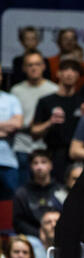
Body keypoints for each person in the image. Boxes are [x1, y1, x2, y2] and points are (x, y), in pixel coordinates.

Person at [30, 59, 84, 182]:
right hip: (54, 154)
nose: (69, 73)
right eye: (65, 69)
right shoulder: (46, 101)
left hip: (78, 156)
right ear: (58, 73)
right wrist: (50, 122)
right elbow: (34, 132)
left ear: (78, 75)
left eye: (73, 70)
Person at [10, 51, 57, 185]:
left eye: (37, 64)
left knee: (46, 188)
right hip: (22, 145)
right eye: (30, 65)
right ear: (24, 68)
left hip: (45, 146)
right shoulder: (16, 90)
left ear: (44, 66)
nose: (34, 68)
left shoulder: (53, 89)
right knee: (22, 188)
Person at [12, 149, 63, 236]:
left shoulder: (61, 190)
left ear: (51, 165)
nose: (39, 167)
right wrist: (38, 233)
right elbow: (18, 222)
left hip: (61, 234)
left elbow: (70, 216)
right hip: (33, 237)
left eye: (43, 162)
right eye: (35, 163)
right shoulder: (22, 193)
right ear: (30, 167)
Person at [0, 70, 24, 201]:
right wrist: (5, 128)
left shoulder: (11, 99)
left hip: (8, 161)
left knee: (10, 205)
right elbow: (11, 125)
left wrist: (11, 126)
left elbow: (17, 124)